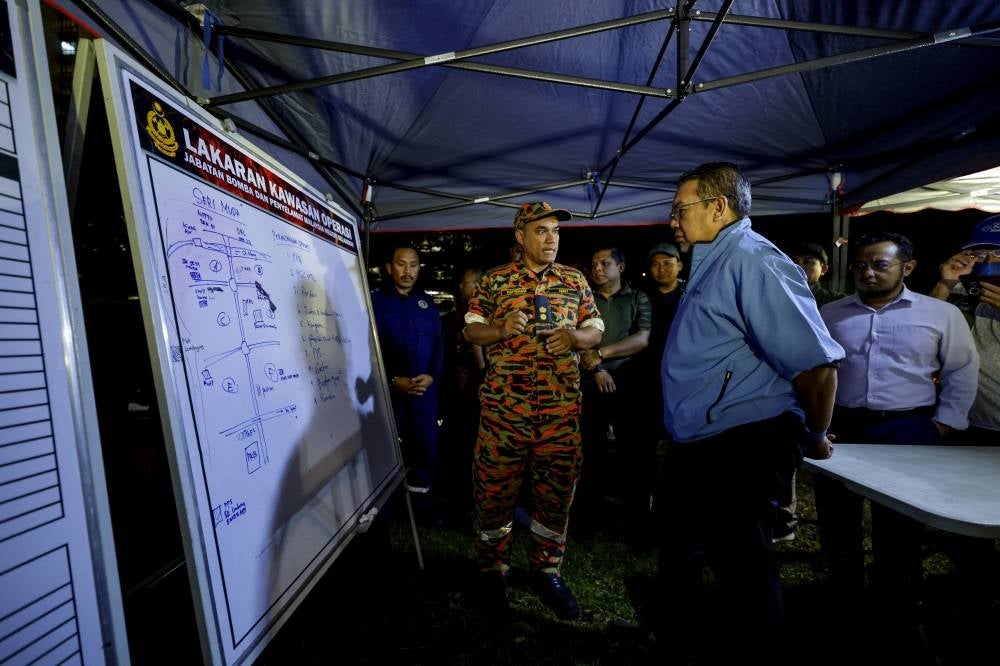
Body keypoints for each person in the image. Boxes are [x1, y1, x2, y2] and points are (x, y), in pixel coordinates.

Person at [656, 162, 844, 661]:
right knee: (681, 553)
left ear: (717, 207)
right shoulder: (712, 258)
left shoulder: (753, 259)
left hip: (739, 442)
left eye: (680, 209)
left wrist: (815, 433)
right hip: (699, 440)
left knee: (741, 567)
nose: (672, 220)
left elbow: (817, 369)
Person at [816, 231, 979, 637]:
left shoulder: (939, 314)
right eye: (860, 265)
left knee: (900, 525)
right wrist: (817, 424)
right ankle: (843, 600)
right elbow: (814, 371)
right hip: (845, 428)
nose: (867, 273)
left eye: (879, 265)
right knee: (839, 520)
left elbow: (962, 369)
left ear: (907, 267)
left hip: (909, 427)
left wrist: (943, 423)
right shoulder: (831, 314)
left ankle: (898, 609)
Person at [463, 201, 604, 621]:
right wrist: (500, 330)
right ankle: (492, 569)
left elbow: (596, 328)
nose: (551, 239)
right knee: (493, 497)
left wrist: (576, 339)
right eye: (541, 231)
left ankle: (546, 569)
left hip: (560, 416)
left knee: (556, 499)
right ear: (520, 236)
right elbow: (471, 327)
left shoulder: (574, 280)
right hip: (505, 416)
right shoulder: (495, 281)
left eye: (555, 232)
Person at [772, 242, 847, 543]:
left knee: (826, 454)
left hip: (826, 389)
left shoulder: (835, 305)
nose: (801, 265)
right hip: (788, 387)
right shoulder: (782, 297)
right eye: (795, 259)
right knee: (785, 453)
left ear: (824, 269)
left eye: (809, 261)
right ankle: (785, 519)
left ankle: (835, 526)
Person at [576, 247, 651, 537]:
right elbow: (577, 340)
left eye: (604, 263)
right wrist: (596, 369)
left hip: (628, 385)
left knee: (633, 455)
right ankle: (587, 522)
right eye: (593, 263)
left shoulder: (637, 298)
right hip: (591, 383)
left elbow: (642, 338)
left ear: (620, 267)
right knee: (589, 454)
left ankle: (637, 526)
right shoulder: (585, 300)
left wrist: (601, 354)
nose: (597, 268)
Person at [371, 246, 445, 524]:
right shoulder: (375, 302)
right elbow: (364, 350)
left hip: (423, 394)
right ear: (389, 268)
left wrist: (432, 376)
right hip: (388, 395)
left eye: (413, 265)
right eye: (401, 264)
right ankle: (384, 513)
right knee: (385, 454)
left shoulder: (427, 305)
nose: (407, 271)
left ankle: (420, 509)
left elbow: (439, 346)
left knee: (425, 450)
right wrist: (392, 381)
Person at [929, 214, 1000, 442]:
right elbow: (921, 332)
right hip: (962, 421)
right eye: (980, 254)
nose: (988, 260)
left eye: (998, 253)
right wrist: (945, 282)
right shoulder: (961, 289)